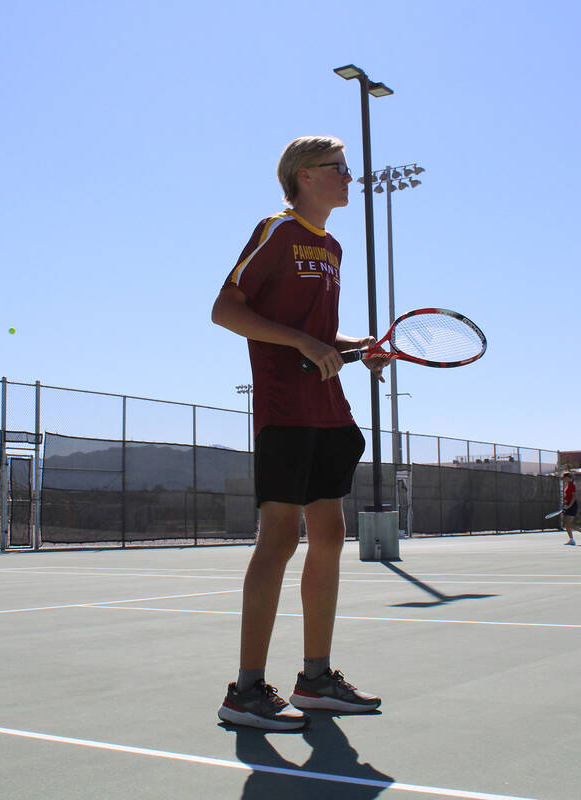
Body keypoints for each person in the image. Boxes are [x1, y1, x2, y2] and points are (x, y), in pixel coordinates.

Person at [211, 135, 384, 731]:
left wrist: (357, 348)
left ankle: (315, 678)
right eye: (339, 169)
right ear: (305, 175)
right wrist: (305, 343)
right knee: (279, 539)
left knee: (330, 534)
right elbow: (226, 310)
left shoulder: (331, 247)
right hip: (285, 407)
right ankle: (247, 691)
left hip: (329, 408)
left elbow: (313, 334)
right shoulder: (277, 230)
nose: (349, 178)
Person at [561, 471, 581, 545]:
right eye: (563, 478)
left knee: (568, 523)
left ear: (569, 478)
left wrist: (569, 506)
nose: (564, 480)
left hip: (572, 505)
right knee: (566, 524)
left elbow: (574, 497)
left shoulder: (572, 485)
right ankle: (571, 539)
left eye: (565, 478)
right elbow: (568, 497)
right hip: (568, 504)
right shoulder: (568, 486)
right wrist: (565, 504)